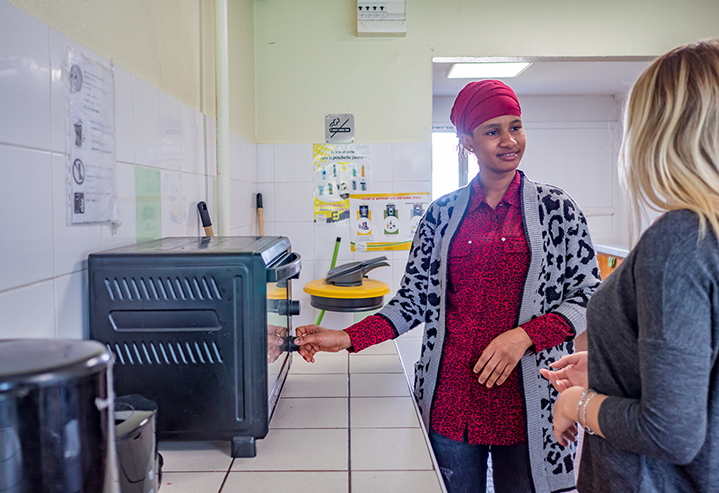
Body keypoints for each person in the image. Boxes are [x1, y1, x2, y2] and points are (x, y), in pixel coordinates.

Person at [295, 79, 601, 493]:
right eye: (493, 131)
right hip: (453, 401)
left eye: (516, 126)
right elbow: (412, 302)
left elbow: (586, 296)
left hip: (532, 400)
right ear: (467, 142)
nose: (509, 140)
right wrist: (347, 337)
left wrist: (524, 337)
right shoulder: (441, 215)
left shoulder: (556, 209)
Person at [544, 39, 719, 493]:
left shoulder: (681, 241)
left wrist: (576, 402)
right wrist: (609, 365)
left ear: (661, 132)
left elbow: (671, 431)